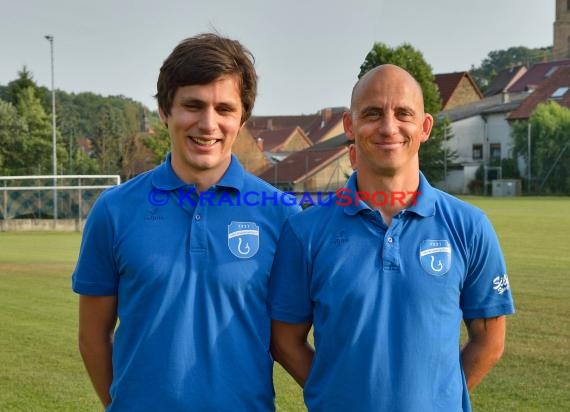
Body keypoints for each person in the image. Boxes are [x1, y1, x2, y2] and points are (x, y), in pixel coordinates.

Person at [72, 33, 300, 411]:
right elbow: (92, 337)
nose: (208, 124)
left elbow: (291, 339)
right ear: (166, 111)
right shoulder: (114, 210)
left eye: (224, 109)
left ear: (242, 117)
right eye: (193, 105)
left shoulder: (281, 214)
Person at [268, 64, 515, 412]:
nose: (388, 127)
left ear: (425, 126)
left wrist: (437, 400)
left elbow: (490, 340)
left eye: (403, 113)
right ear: (349, 126)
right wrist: (334, 395)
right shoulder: (305, 232)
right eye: (372, 113)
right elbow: (284, 342)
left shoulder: (469, 226)